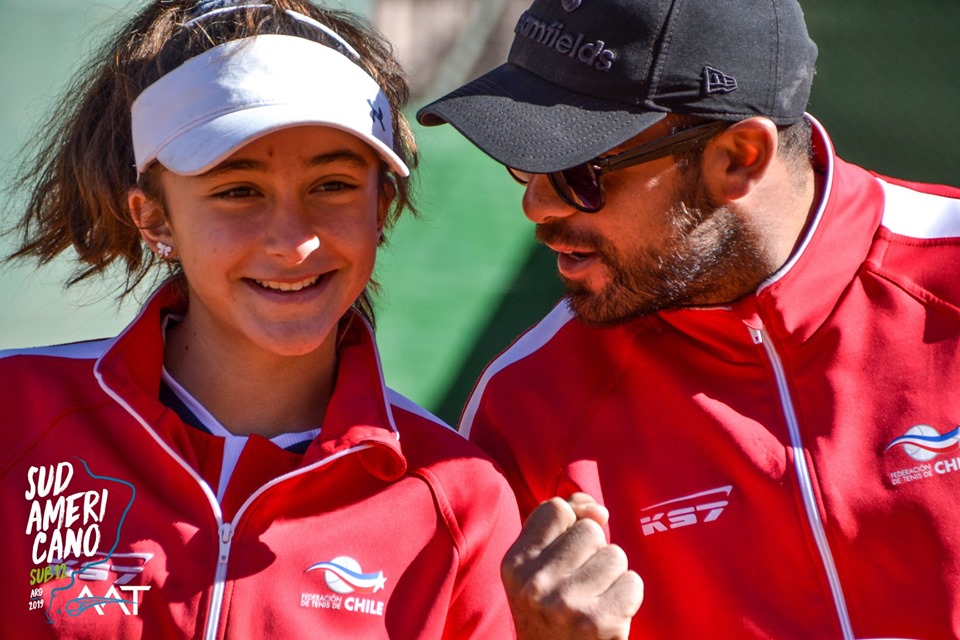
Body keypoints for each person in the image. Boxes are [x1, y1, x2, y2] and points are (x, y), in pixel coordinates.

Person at [417, 0, 960, 637]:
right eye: (524, 163)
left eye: (579, 172)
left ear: (739, 157)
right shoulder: (529, 404)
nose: (536, 206)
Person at [0, 1, 521, 637]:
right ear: (154, 218)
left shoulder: (458, 495)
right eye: (238, 191)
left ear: (380, 206)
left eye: (331, 185)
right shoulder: (17, 415)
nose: (293, 241)